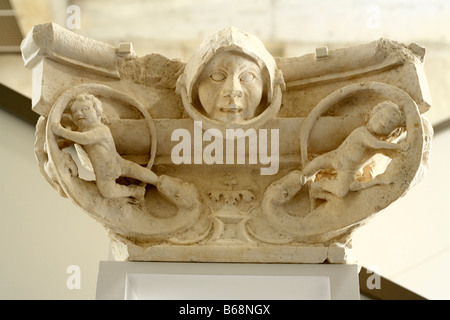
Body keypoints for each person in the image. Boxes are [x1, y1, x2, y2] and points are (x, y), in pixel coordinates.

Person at [51, 93, 159, 199]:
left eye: (84, 109)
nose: (79, 114)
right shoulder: (82, 131)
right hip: (104, 173)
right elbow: (73, 140)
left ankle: (158, 181)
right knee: (108, 192)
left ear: (97, 111)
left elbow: (84, 138)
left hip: (115, 164)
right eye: (74, 112)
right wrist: (59, 144)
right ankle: (134, 191)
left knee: (138, 171)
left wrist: (62, 131)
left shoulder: (101, 129)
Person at [302, 100, 410, 200]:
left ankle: (320, 185)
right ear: (373, 114)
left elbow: (391, 154)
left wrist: (405, 154)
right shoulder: (362, 132)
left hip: (349, 170)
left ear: (394, 132)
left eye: (390, 123)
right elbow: (375, 144)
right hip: (334, 157)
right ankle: (304, 183)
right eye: (381, 115)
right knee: (308, 170)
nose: (383, 122)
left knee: (341, 192)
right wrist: (398, 146)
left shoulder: (380, 148)